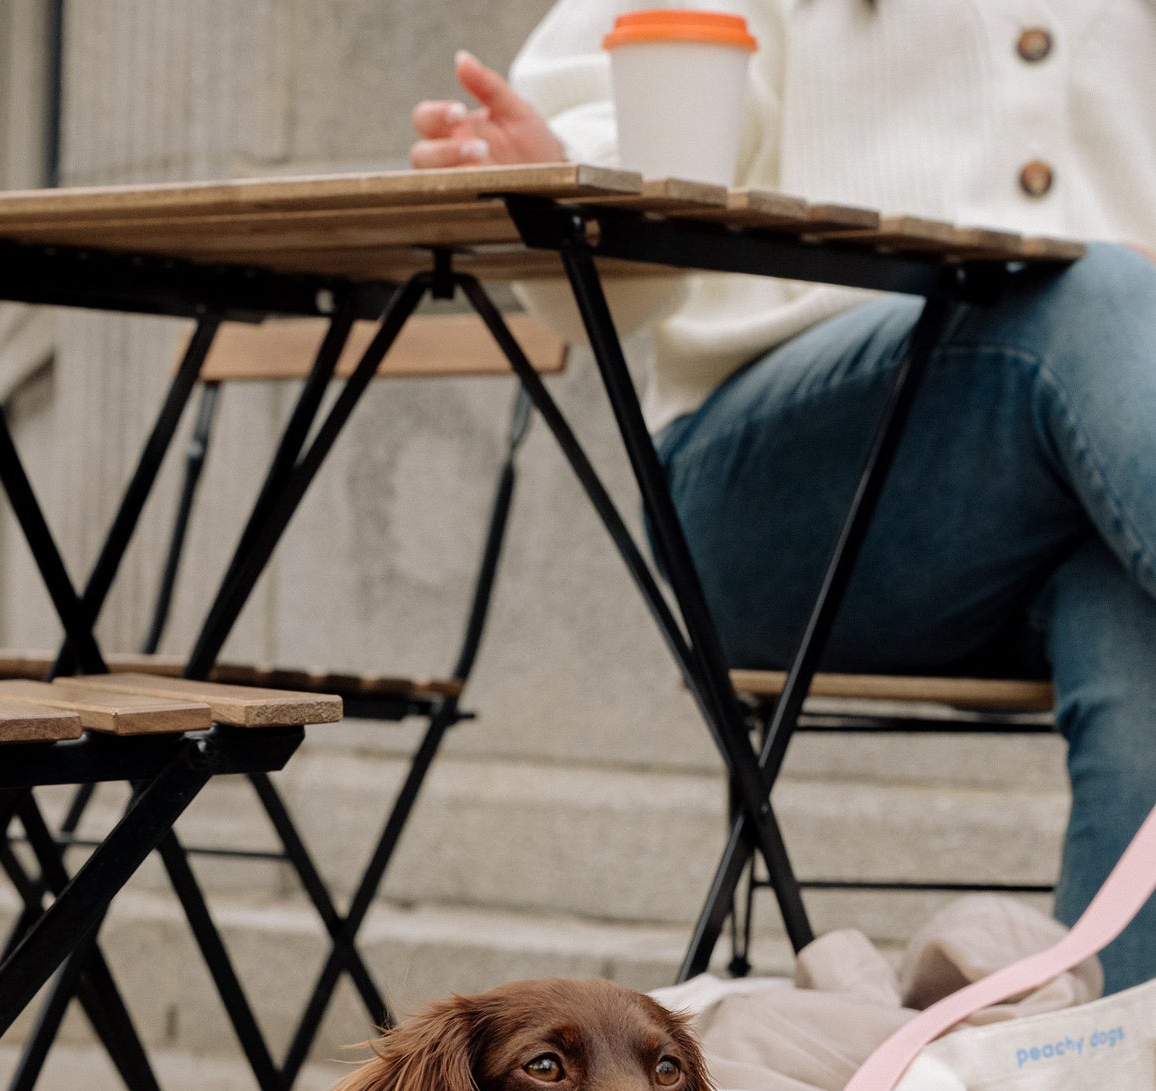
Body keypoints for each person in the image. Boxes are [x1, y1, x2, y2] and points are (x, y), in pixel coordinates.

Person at [411, 8, 1156, 991]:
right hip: (781, 499)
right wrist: (564, 160)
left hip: (1109, 506)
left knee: (1136, 636)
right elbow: (641, 88)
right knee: (1081, 293)